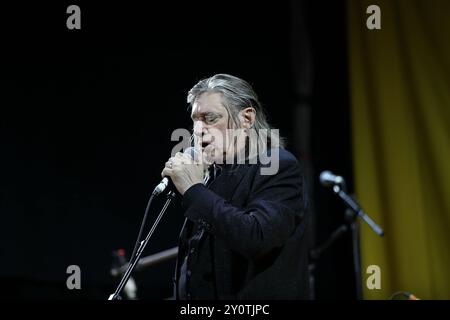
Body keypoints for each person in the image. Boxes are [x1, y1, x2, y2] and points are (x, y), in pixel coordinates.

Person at [161, 74, 309, 299]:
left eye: (210, 118)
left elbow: (257, 238)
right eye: (195, 119)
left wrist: (193, 191)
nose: (198, 129)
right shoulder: (212, 176)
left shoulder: (277, 165)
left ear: (246, 119)